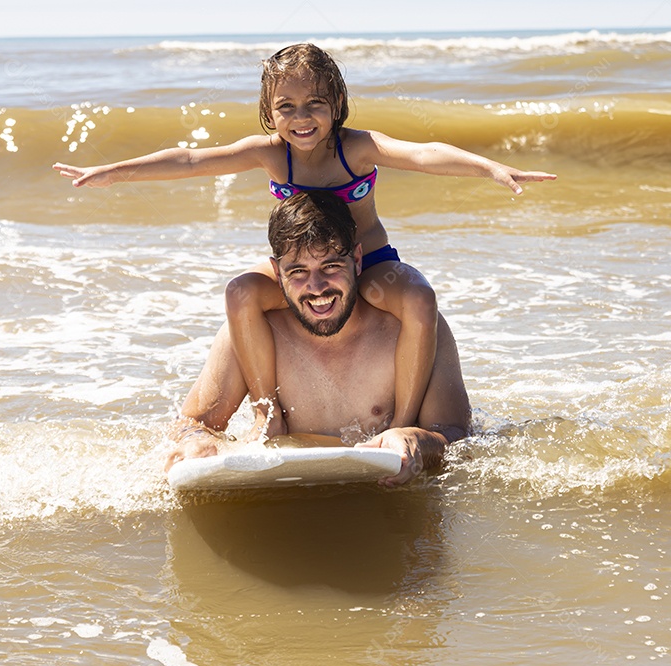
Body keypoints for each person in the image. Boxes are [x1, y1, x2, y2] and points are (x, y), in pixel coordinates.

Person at [55, 42, 552, 440]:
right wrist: (113, 173)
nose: (302, 116)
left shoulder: (357, 147)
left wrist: (490, 168)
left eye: (315, 102)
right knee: (241, 292)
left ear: (336, 103)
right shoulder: (272, 153)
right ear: (269, 113)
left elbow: (424, 154)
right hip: (297, 266)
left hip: (366, 259)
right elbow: (190, 159)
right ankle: (266, 412)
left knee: (419, 298)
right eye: (286, 106)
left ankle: (403, 423)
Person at [166, 191, 471, 487]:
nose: (316, 287)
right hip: (283, 496)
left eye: (331, 267)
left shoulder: (409, 328)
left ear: (357, 260)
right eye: (298, 271)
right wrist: (196, 441)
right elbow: (193, 423)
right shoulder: (252, 333)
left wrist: (416, 440)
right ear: (276, 271)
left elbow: (457, 435)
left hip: (385, 496)